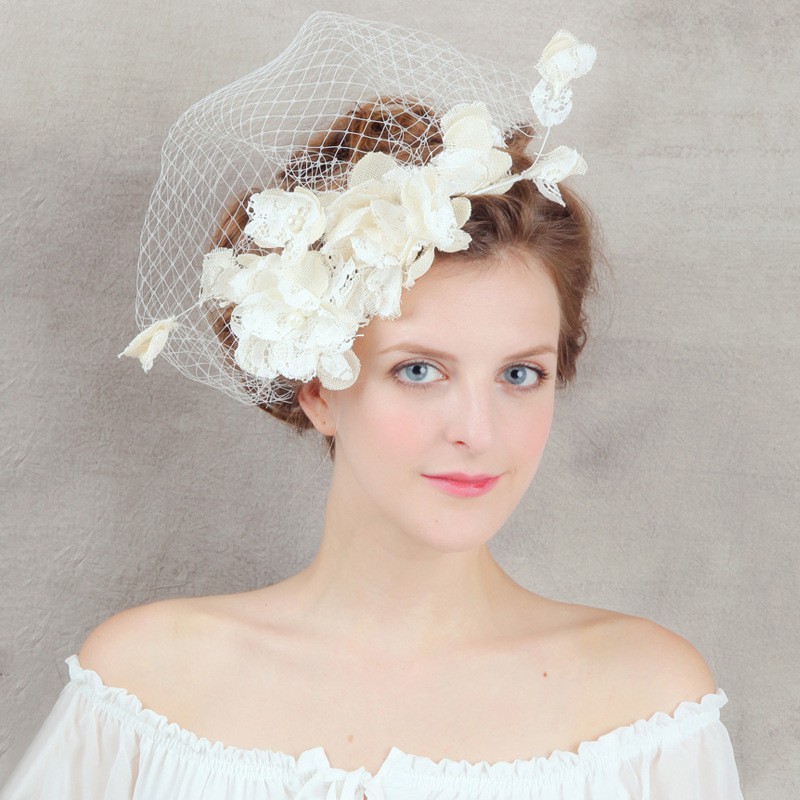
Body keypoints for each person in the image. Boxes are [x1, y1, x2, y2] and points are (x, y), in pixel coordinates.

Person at [0, 12, 744, 799]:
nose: (478, 431)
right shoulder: (145, 691)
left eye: (520, 376)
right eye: (420, 370)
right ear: (318, 387)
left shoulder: (646, 708)